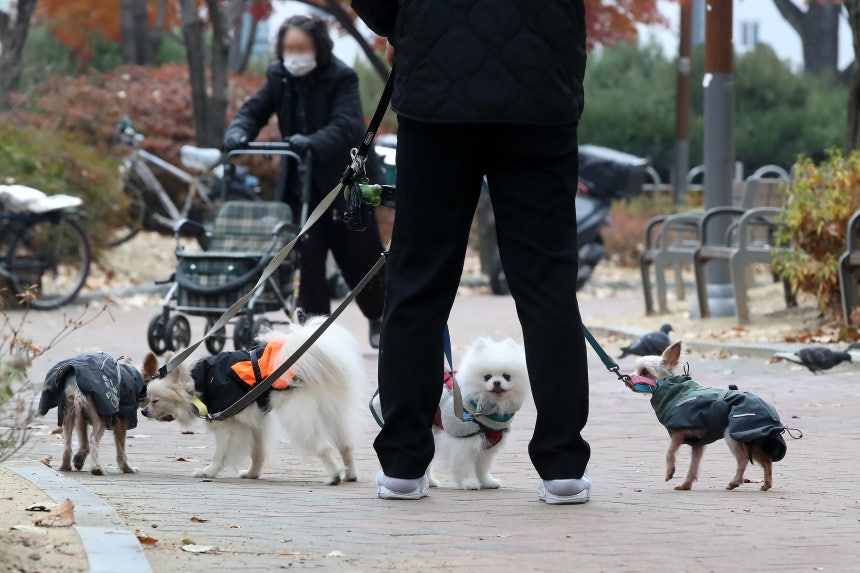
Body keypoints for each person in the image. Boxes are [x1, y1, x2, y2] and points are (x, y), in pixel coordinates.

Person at [351, 0, 592, 504]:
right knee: (548, 287)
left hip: (437, 94)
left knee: (418, 284)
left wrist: (406, 24)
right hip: (540, 91)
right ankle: (562, 465)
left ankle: (401, 463)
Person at [223, 14, 386, 348]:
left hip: (344, 185)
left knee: (359, 257)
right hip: (301, 186)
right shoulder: (279, 76)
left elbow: (347, 125)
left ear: (318, 47)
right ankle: (316, 335)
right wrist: (239, 132)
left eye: (302, 47)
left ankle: (380, 314)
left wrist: (312, 141)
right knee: (307, 263)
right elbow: (254, 109)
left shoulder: (341, 77)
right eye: (289, 48)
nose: (295, 54)